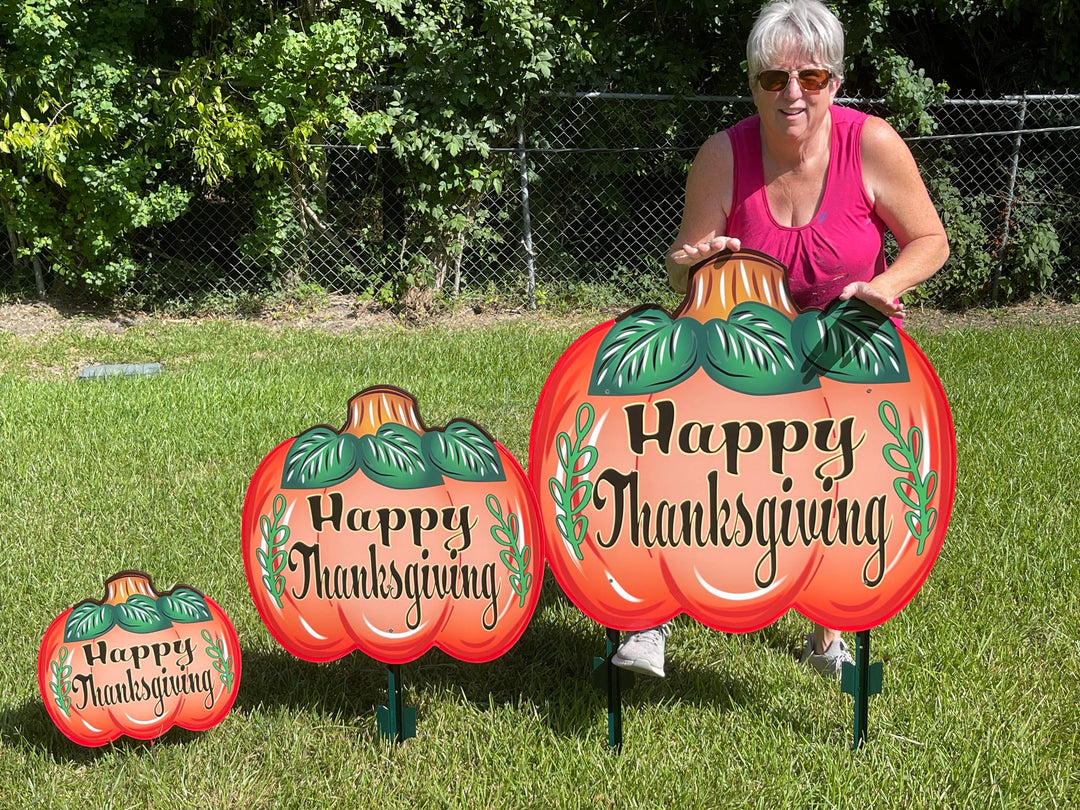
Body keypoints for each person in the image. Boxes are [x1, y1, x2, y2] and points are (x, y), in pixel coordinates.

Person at [611, 0, 949, 680]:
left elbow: (931, 240)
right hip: (744, 350)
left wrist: (886, 285)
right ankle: (649, 617)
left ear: (836, 82)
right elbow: (684, 263)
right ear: (753, 84)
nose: (793, 93)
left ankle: (829, 629)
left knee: (842, 478)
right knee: (668, 451)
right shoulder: (721, 154)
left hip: (847, 347)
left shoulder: (873, 144)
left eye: (812, 77)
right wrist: (692, 259)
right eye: (774, 79)